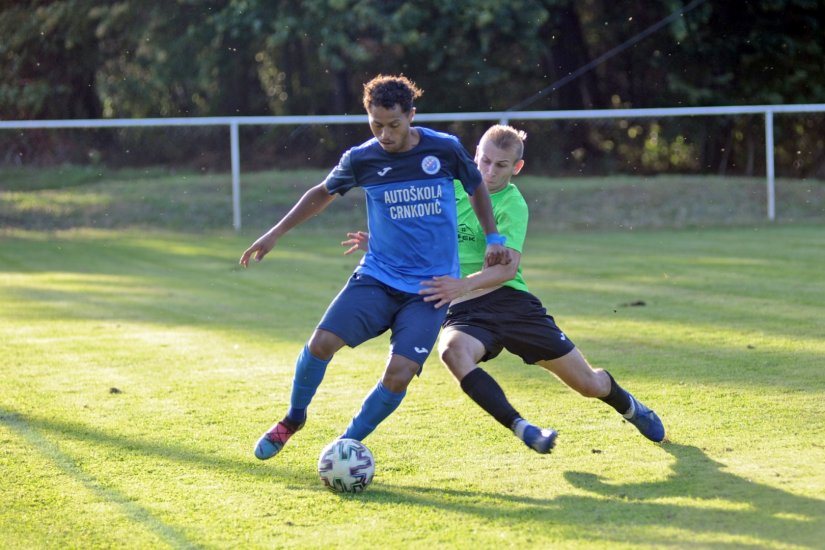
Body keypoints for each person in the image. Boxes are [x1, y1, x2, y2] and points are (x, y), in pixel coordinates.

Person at [343, 124, 665, 454]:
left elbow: (506, 268)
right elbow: (420, 234)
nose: (488, 171)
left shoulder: (512, 204)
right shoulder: (450, 188)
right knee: (452, 352)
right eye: (484, 161)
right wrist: (380, 243)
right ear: (475, 156)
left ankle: (630, 407)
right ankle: (522, 427)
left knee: (588, 385)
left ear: (517, 168)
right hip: (465, 310)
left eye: (500, 165)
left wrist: (460, 285)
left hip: (512, 303)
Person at [240, 75, 509, 460]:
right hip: (378, 276)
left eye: (394, 125)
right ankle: (292, 419)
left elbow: (475, 187)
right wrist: (276, 232)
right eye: (376, 124)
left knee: (399, 374)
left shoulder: (444, 149)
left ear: (411, 116)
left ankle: (346, 444)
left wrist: (494, 237)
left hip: (430, 289)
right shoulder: (362, 158)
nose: (384, 134)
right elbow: (321, 193)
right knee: (321, 344)